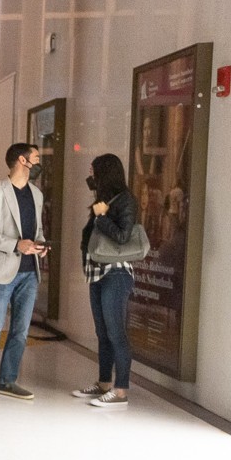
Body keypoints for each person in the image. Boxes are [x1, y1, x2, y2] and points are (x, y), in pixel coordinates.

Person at [0, 143, 47, 408]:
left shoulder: (36, 194)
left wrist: (40, 245)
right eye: (36, 158)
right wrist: (16, 245)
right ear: (22, 160)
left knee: (21, 331)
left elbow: (37, 230)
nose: (39, 162)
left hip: (29, 272)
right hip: (2, 271)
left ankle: (7, 381)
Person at [73, 153, 139, 409]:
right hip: (97, 273)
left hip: (116, 274)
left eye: (93, 171)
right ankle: (102, 383)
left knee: (116, 333)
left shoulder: (125, 201)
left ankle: (120, 390)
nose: (90, 176)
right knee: (102, 333)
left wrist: (101, 217)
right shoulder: (105, 199)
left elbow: (123, 237)